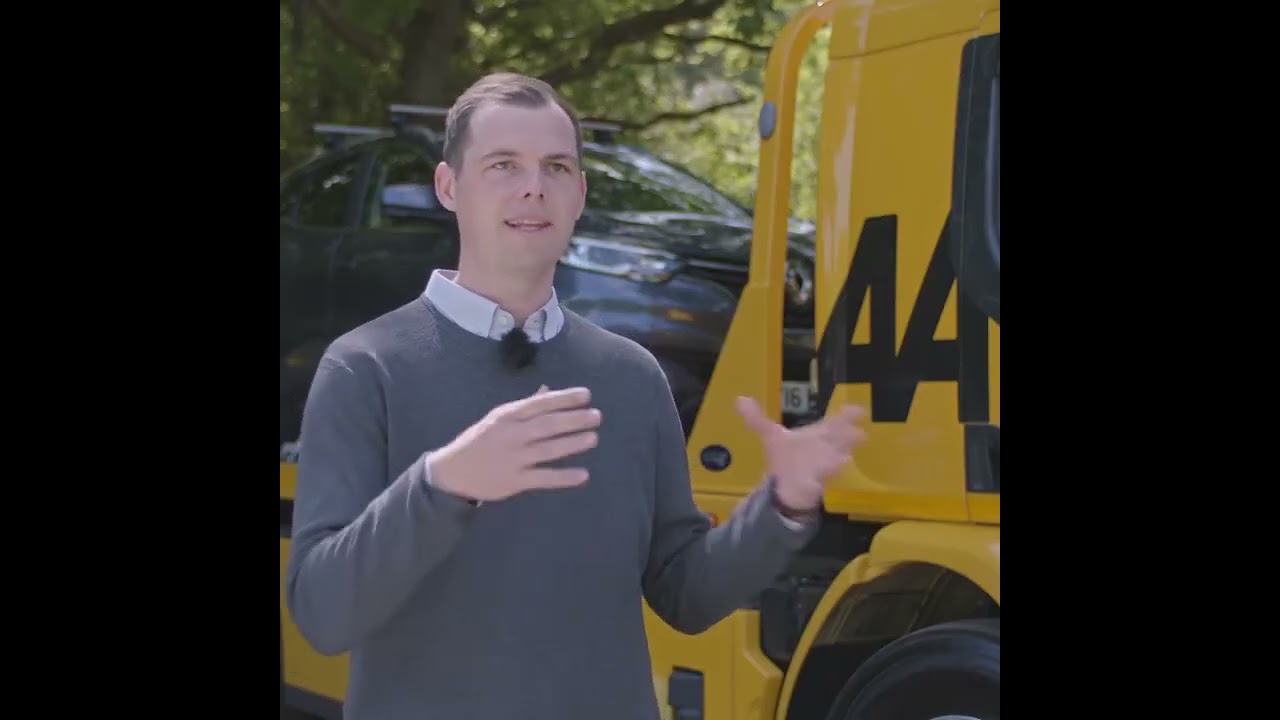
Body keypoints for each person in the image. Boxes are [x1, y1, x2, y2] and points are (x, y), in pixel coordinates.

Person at [284, 72, 867, 719]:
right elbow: (323, 615)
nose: (533, 186)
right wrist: (441, 485)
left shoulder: (632, 376)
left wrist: (782, 507)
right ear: (449, 187)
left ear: (579, 194)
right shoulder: (364, 368)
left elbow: (687, 597)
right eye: (503, 165)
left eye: (556, 166)